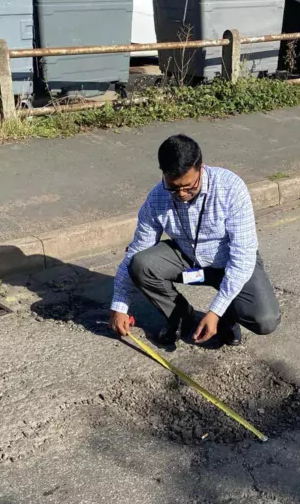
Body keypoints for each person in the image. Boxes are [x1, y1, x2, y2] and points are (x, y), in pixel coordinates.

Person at [109, 135, 282, 346]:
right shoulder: (157, 198)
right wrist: (120, 305)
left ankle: (228, 317)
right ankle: (181, 317)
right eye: (173, 187)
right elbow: (137, 249)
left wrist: (215, 311)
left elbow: (243, 257)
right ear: (163, 174)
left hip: (230, 261)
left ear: (201, 167)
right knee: (141, 264)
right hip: (188, 258)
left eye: (189, 187)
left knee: (265, 320)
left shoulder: (231, 188)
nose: (181, 194)